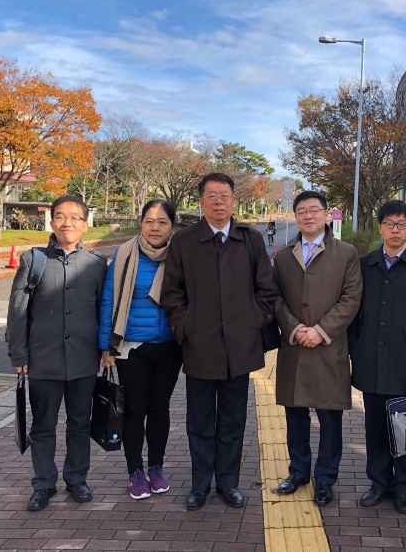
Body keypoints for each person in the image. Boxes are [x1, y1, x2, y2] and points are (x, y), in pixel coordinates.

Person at [161, 172, 278, 511]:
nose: (219, 202)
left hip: (239, 349)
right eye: (211, 196)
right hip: (199, 347)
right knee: (199, 422)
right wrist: (186, 327)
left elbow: (267, 291)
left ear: (233, 200)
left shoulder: (251, 239)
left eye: (224, 195)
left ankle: (228, 483)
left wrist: (252, 323)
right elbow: (172, 293)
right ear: (201, 201)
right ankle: (200, 484)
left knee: (233, 422)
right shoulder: (184, 241)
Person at [6, 195, 108, 512]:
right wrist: (19, 354)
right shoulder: (33, 260)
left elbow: (103, 310)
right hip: (43, 360)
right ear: (51, 222)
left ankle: (77, 479)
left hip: (83, 360)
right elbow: (17, 311)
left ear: (85, 224)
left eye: (75, 217)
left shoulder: (96, 263)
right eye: (61, 216)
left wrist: (106, 348)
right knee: (42, 426)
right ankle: (43, 483)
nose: (68, 223)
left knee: (80, 424)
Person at [349, 200, 406, 515]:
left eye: (402, 224)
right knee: (375, 425)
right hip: (371, 359)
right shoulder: (365, 264)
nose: (395, 230)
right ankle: (379, 483)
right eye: (389, 224)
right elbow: (353, 313)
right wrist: (355, 350)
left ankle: (405, 487)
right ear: (380, 227)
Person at [272, 190, 362, 507]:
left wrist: (321, 330)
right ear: (295, 217)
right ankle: (298, 472)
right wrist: (295, 328)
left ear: (326, 214)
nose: (308, 216)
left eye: (314, 210)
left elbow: (351, 298)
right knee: (295, 417)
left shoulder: (346, 253)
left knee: (329, 419)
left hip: (328, 347)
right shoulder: (284, 256)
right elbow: (274, 297)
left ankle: (325, 478)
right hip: (294, 347)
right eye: (302, 211)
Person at [98, 199, 182, 500]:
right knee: (134, 409)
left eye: (162, 222)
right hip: (132, 347)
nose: (155, 227)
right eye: (149, 221)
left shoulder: (182, 255)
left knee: (160, 409)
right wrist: (106, 345)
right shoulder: (124, 255)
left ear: (172, 226)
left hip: (170, 346)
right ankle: (135, 470)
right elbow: (109, 300)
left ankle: (156, 467)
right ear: (141, 223)